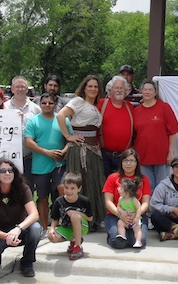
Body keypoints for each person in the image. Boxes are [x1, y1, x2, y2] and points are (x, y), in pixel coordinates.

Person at [56, 75, 106, 232]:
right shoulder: (78, 101)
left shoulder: (95, 105)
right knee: (81, 182)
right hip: (80, 149)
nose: (93, 89)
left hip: (94, 149)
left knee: (94, 182)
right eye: (90, 86)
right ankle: (78, 220)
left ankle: (93, 218)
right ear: (84, 87)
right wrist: (68, 136)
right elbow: (60, 115)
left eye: (96, 87)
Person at [25, 93, 71, 236]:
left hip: (59, 164)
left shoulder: (62, 119)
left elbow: (70, 139)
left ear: (55, 104)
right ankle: (44, 228)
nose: (47, 105)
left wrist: (64, 151)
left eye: (50, 103)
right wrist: (46, 152)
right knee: (43, 197)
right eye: (44, 103)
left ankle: (65, 222)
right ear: (40, 104)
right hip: (40, 166)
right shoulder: (33, 121)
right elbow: (29, 142)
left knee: (63, 189)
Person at [0, 158, 41, 277]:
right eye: (3, 171)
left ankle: (27, 263)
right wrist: (8, 236)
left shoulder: (23, 188)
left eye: (10, 170)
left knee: (36, 228)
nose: (7, 173)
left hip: (19, 231)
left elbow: (34, 214)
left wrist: (18, 229)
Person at [133, 80, 178, 191]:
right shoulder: (136, 111)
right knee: (147, 188)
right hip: (143, 156)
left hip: (161, 156)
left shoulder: (164, 107)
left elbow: (173, 132)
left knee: (162, 187)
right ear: (141, 92)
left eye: (150, 90)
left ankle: (161, 208)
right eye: (145, 89)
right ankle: (149, 208)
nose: (147, 92)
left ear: (155, 93)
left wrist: (170, 152)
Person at [103, 149, 151, 249]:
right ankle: (113, 234)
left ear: (137, 163)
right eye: (125, 160)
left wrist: (136, 215)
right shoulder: (112, 178)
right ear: (121, 162)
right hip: (115, 215)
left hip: (137, 216)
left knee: (139, 242)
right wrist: (120, 214)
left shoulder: (144, 179)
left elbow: (146, 203)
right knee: (118, 243)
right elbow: (108, 201)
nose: (128, 164)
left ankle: (128, 235)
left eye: (132, 161)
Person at [4, 76, 41, 194]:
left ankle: (28, 212)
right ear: (12, 89)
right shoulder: (4, 107)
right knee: (8, 190)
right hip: (7, 158)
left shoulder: (36, 109)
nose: (20, 89)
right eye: (17, 87)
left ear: (27, 89)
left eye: (23, 87)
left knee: (27, 190)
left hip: (29, 157)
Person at [47, 172, 93, 261]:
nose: (69, 191)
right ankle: (74, 240)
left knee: (74, 216)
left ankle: (78, 246)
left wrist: (77, 213)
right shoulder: (59, 201)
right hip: (66, 227)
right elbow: (55, 218)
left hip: (82, 226)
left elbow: (90, 218)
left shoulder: (84, 201)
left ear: (79, 189)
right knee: (52, 237)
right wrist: (52, 228)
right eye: (66, 188)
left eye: (72, 188)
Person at [97, 76, 135, 177]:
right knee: (105, 186)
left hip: (124, 156)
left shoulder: (130, 106)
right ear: (110, 90)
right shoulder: (101, 104)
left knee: (123, 187)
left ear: (126, 90)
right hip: (105, 155)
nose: (119, 90)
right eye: (116, 88)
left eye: (121, 88)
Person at [116, 178, 143, 248]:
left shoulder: (133, 200)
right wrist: (122, 211)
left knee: (137, 229)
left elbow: (139, 208)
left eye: (121, 188)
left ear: (127, 192)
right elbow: (118, 207)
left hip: (134, 220)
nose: (118, 189)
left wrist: (136, 217)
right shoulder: (120, 199)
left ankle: (138, 241)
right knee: (120, 223)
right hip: (125, 219)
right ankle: (122, 235)